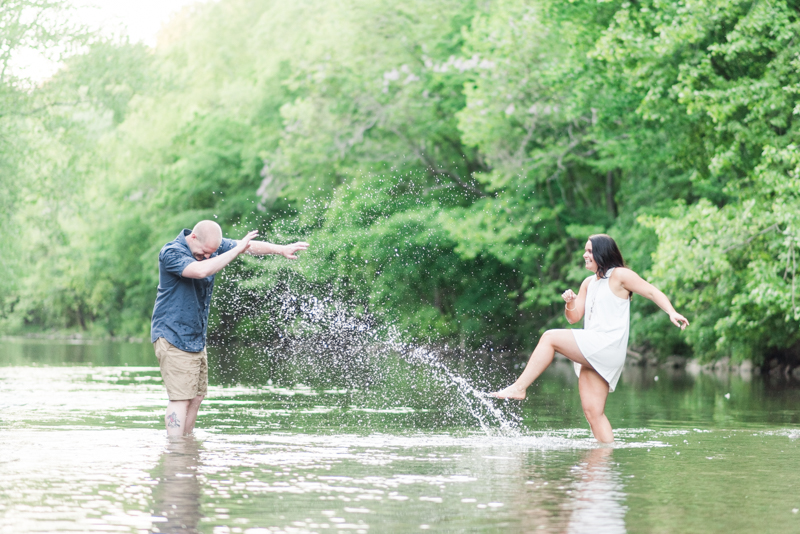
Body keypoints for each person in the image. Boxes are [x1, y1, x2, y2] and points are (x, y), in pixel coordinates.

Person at [491, 234, 689, 443]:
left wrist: (671, 311)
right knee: (593, 413)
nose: (584, 255)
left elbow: (651, 291)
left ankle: (519, 388)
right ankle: (603, 464)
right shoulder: (588, 283)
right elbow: (574, 318)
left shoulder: (620, 275)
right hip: (594, 348)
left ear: (602, 253)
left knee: (549, 337)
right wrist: (570, 302)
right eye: (585, 251)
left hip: (607, 345)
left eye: (589, 251)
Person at [151, 220, 309, 436]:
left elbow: (248, 246)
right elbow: (200, 271)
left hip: (195, 336)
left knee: (196, 398)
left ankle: (186, 447)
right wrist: (234, 251)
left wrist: (280, 249)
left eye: (212, 253)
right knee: (180, 398)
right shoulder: (172, 252)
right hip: (172, 335)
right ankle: (175, 451)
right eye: (205, 252)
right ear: (193, 238)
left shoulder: (210, 247)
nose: (208, 256)